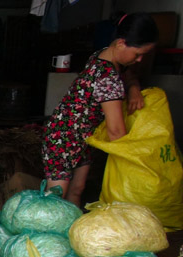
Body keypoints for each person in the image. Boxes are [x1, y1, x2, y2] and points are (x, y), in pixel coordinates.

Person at [42, 12, 158, 207]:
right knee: (55, 199)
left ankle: (71, 234)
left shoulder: (105, 55)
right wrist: (138, 163)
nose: (139, 60)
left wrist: (134, 88)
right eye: (138, 54)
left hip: (82, 137)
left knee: (76, 191)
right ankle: (43, 235)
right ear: (121, 43)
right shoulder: (108, 78)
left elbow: (128, 73)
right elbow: (116, 132)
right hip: (63, 137)